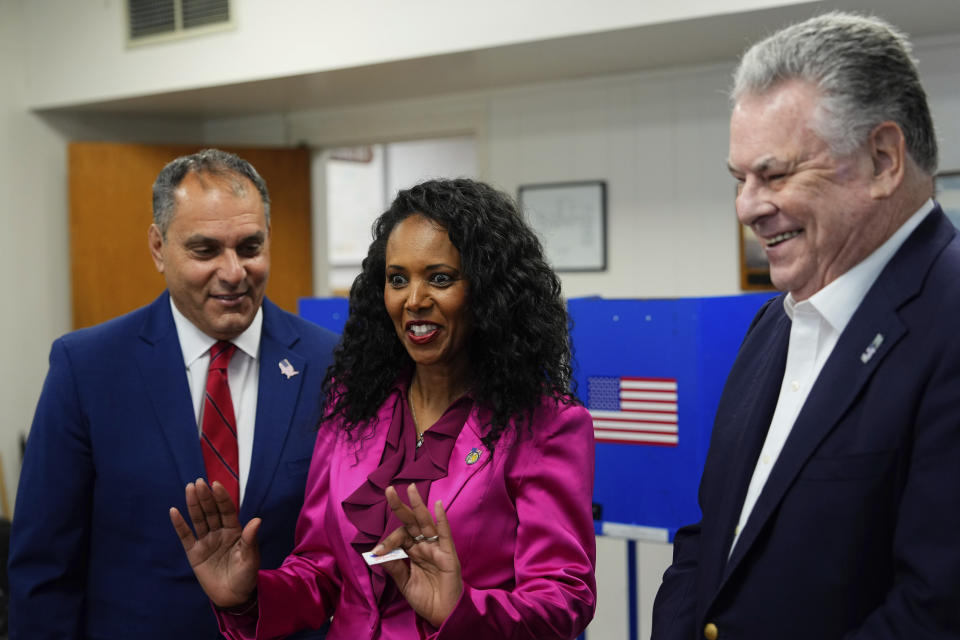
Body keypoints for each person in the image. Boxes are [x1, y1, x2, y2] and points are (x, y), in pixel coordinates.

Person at [170, 178, 597, 639]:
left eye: (440, 278)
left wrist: (460, 610)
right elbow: (323, 570)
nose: (413, 301)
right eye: (398, 279)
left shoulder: (546, 424)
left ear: (489, 291)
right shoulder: (354, 407)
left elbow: (564, 599)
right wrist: (248, 595)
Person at [651, 12, 960, 640]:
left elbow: (936, 610)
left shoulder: (950, 317)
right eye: (739, 180)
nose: (746, 207)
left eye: (775, 174)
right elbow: (712, 538)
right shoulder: (773, 324)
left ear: (882, 160)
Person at [8, 149, 338, 639]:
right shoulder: (88, 367)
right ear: (159, 246)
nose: (233, 272)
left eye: (250, 247)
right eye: (205, 250)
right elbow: (45, 568)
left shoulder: (330, 363)